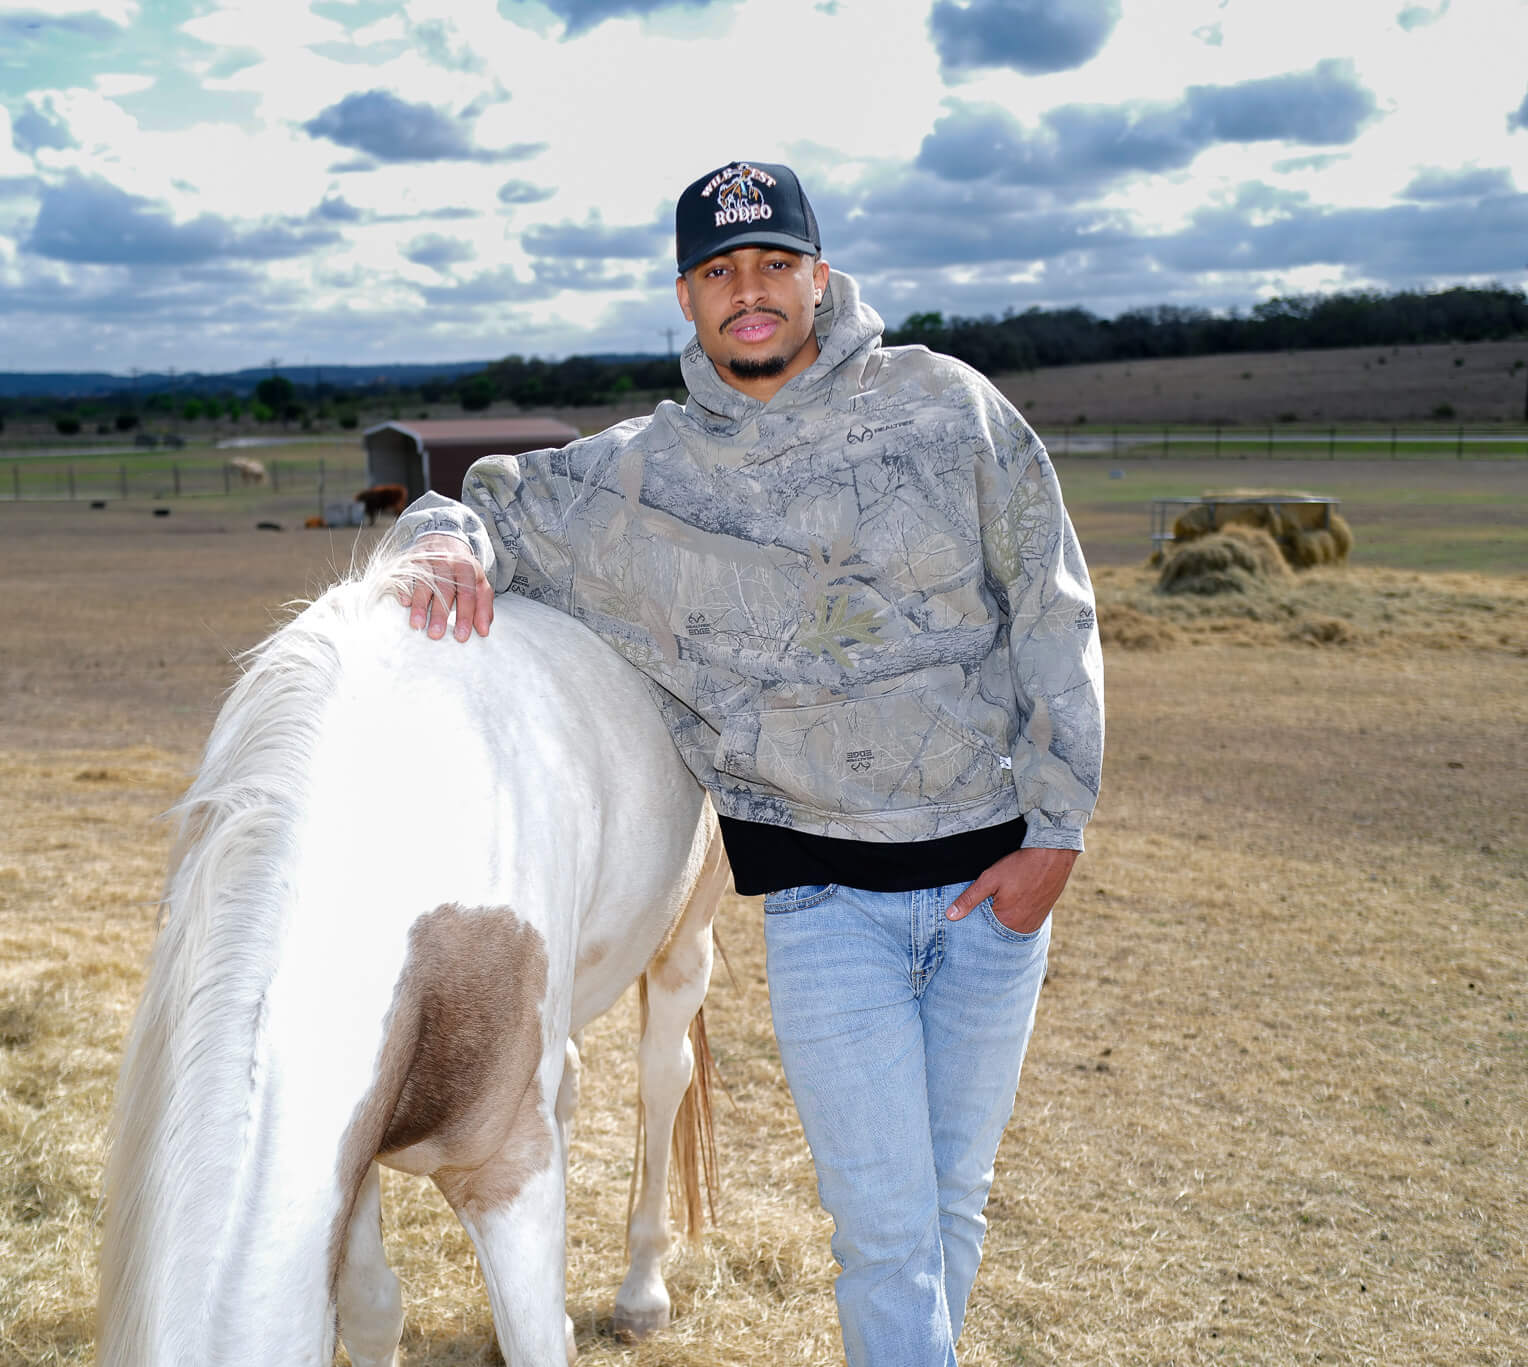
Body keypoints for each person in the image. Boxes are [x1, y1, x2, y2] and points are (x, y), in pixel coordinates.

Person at [390, 160, 1103, 1366]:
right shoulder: (642, 472)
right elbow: (488, 506)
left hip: (994, 893)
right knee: (883, 1234)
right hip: (828, 908)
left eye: (774, 262)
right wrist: (434, 532)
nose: (750, 290)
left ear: (818, 277)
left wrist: (1055, 832)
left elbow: (1052, 604)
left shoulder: (949, 409)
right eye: (720, 272)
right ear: (686, 299)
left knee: (947, 1206)